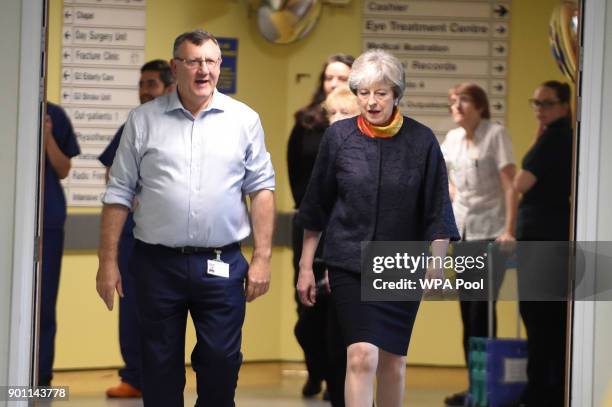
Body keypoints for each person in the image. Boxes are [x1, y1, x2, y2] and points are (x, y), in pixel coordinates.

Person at [96, 29, 276, 407]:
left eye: (210, 61)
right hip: (156, 264)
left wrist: (262, 258)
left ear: (219, 66)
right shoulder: (143, 120)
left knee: (221, 362)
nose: (203, 70)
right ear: (176, 67)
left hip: (222, 262)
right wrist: (107, 262)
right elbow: (118, 192)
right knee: (159, 367)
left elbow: (261, 189)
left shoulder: (243, 120)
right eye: (193, 61)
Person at [297, 49, 459, 407]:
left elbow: (437, 208)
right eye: (364, 92)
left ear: (396, 94)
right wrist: (306, 266)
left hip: (401, 262)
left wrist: (437, 261)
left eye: (381, 93)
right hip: (347, 261)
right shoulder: (339, 137)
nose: (371, 102)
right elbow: (316, 206)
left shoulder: (422, 141)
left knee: (393, 361)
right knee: (361, 354)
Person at [97, 59, 175, 398]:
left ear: (169, 87)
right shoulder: (136, 123)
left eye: (152, 85)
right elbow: (112, 172)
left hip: (176, 237)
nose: (144, 91)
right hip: (135, 233)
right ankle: (134, 376)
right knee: (131, 306)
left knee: (167, 312)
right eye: (142, 84)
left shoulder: (189, 125)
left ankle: (159, 376)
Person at [441, 83, 517, 407]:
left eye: (463, 100)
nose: (455, 106)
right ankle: (474, 387)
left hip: (491, 232)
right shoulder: (453, 139)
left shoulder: (495, 134)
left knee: (482, 311)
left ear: (480, 106)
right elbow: (443, 176)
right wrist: (452, 194)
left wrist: (510, 230)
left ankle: (489, 389)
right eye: (453, 101)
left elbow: (511, 186)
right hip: (463, 232)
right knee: (466, 311)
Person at [287, 53, 354, 403]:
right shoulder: (307, 121)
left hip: (344, 225)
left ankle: (335, 379)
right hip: (311, 220)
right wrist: (312, 209)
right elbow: (294, 170)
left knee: (339, 307)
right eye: (329, 78)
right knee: (307, 309)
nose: (334, 84)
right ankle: (316, 368)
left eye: (342, 78)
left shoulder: (360, 124)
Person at [507, 81, 574, 407]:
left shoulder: (557, 138)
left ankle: (540, 392)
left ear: (564, 105)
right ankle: (545, 389)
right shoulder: (555, 135)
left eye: (546, 103)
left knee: (538, 317)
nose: (539, 109)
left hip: (543, 240)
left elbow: (521, 182)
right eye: (535, 103)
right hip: (547, 239)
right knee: (544, 317)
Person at [39, 102, 81, 386]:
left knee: (43, 304)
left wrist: (47, 137)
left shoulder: (54, 115)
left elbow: (63, 169)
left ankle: (40, 380)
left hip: (47, 220)